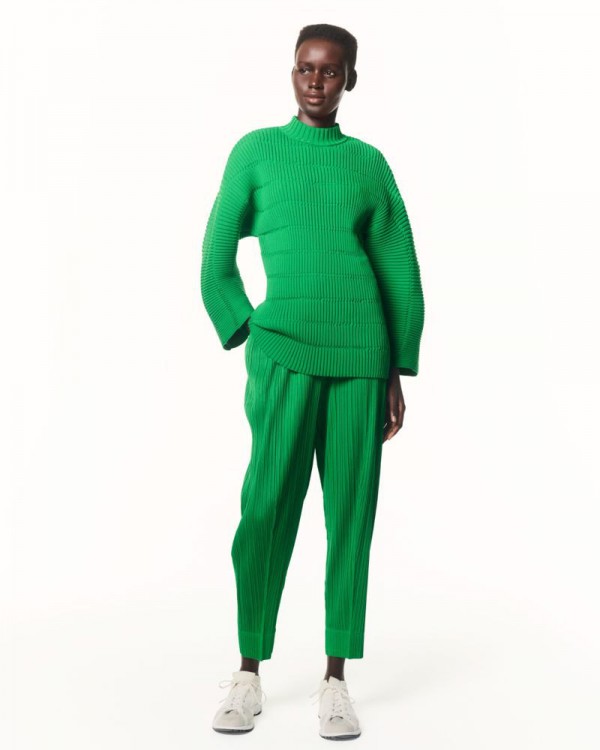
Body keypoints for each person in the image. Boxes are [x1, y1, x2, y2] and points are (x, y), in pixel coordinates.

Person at [201, 22, 425, 741]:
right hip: (284, 356)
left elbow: (399, 269)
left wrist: (397, 368)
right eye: (306, 68)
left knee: (349, 519)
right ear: (292, 72)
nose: (317, 82)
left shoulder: (366, 164)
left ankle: (335, 680)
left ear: (350, 78)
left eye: (331, 71)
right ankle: (248, 672)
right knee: (265, 510)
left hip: (360, 359)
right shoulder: (257, 152)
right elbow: (215, 257)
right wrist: (248, 330)